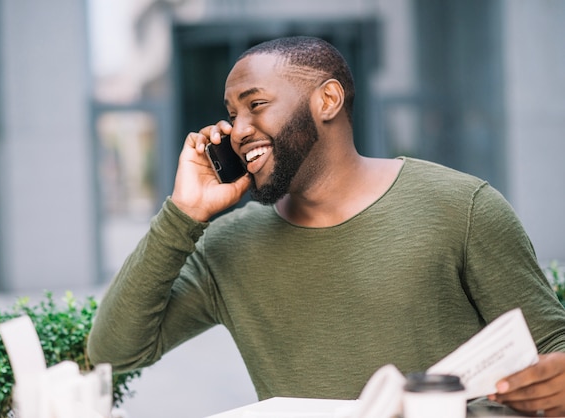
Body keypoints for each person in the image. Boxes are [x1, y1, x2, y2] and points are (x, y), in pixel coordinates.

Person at [87, 36, 565, 416]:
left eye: (256, 104)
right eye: (232, 114)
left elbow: (552, 347)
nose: (237, 129)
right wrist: (183, 214)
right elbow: (113, 350)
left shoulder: (462, 207)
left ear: (328, 99)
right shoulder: (226, 246)